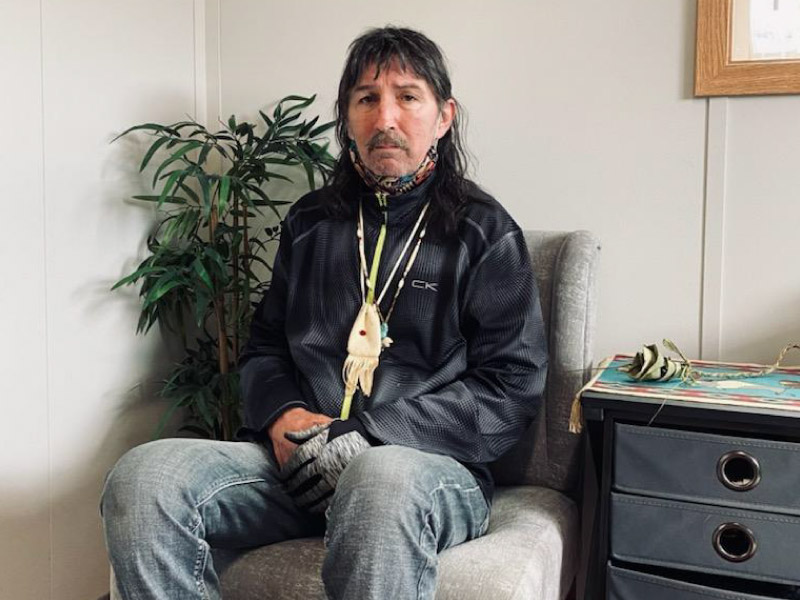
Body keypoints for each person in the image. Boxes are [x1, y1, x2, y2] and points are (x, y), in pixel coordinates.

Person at [101, 26, 547, 600]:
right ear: (347, 117)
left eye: (408, 97)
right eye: (366, 98)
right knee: (144, 478)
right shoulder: (310, 222)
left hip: (423, 468)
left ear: (443, 116)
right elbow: (265, 347)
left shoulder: (485, 232)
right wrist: (283, 418)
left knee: (379, 477)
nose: (385, 117)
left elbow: (512, 386)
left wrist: (368, 436)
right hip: (300, 464)